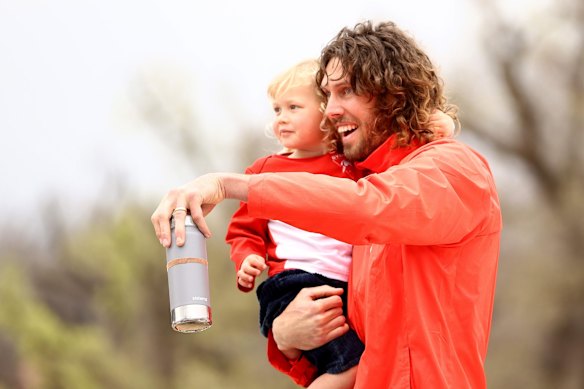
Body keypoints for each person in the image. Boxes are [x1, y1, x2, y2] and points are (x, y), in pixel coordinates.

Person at [152, 20, 502, 389]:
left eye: (346, 91)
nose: (330, 110)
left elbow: (370, 207)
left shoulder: (455, 169)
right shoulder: (363, 183)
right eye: (326, 95)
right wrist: (286, 338)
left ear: (392, 94)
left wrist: (227, 185)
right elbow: (360, 348)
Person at [226, 59, 456, 388]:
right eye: (277, 110)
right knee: (353, 366)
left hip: (343, 288)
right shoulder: (265, 170)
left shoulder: (348, 165)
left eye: (293, 107)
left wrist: (437, 124)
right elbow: (244, 228)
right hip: (294, 284)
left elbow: (394, 169)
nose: (282, 119)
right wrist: (246, 257)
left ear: (326, 113)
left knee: (355, 363)